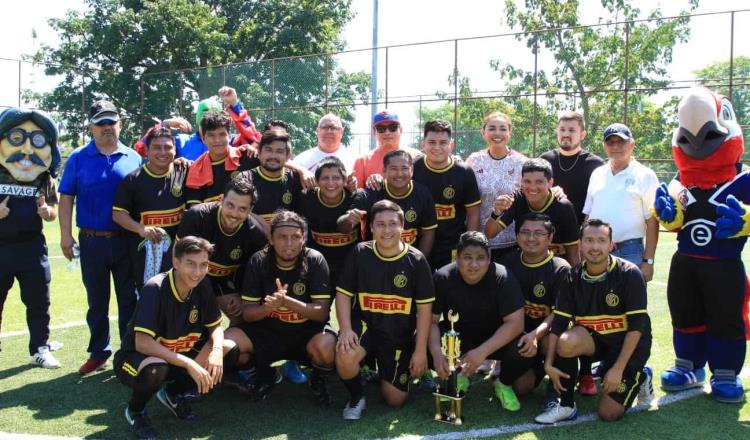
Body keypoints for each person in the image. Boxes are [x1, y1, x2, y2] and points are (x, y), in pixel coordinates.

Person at [113, 236, 240, 439]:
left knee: (228, 348)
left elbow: (215, 326)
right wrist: (189, 363)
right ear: (176, 262)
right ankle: (136, 411)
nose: (197, 272)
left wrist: (216, 350)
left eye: (203, 265)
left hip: (177, 355)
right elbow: (142, 343)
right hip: (136, 359)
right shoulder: (155, 288)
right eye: (191, 264)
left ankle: (174, 393)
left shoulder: (203, 285)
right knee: (156, 369)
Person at [535, 219, 653, 424]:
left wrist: (618, 368)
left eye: (601, 240)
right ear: (580, 244)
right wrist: (549, 363)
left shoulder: (630, 274)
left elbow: (636, 327)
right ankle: (566, 405)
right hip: (596, 342)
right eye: (589, 240)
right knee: (565, 341)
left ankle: (641, 376)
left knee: (608, 414)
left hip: (629, 345)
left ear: (611, 245)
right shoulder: (572, 277)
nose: (595, 247)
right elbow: (560, 322)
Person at [58, 100, 143, 375]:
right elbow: (66, 198)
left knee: (129, 299)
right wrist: (66, 236)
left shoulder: (134, 157)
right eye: (101, 123)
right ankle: (99, 352)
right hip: (92, 241)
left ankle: (129, 351)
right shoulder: (78, 158)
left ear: (120, 124)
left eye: (111, 121)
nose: (107, 127)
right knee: (97, 300)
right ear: (91, 127)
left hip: (126, 240)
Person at [335, 200, 434, 419]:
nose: (386, 230)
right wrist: (345, 329)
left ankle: (382, 371)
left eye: (392, 224)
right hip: (366, 327)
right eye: (380, 224)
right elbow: (342, 294)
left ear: (403, 227)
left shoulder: (416, 260)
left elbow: (424, 310)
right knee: (345, 353)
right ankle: (356, 397)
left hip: (398, 335)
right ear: (371, 227)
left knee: (395, 400)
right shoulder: (360, 253)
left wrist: (419, 351)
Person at [225, 211, 337, 404]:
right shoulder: (258, 261)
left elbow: (321, 313)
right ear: (271, 238)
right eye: (282, 237)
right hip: (267, 333)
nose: (289, 243)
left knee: (327, 347)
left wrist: (287, 302)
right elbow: (248, 314)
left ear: (304, 238)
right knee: (225, 344)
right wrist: (269, 308)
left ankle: (318, 379)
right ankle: (264, 373)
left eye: (295, 237)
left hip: (305, 333)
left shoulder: (315, 260)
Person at [430, 231, 530, 411]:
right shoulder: (443, 277)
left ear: (489, 259)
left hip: (494, 339)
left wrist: (481, 352)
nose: (474, 264)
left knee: (524, 347)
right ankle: (458, 375)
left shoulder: (503, 277)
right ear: (457, 257)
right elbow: (431, 322)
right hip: (460, 338)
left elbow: (516, 323)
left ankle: (503, 382)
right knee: (420, 341)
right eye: (467, 257)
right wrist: (437, 354)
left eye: (480, 258)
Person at [0, 107, 62, 368]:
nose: (26, 149)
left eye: (36, 141)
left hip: (32, 247)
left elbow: (53, 211)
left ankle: (40, 347)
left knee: (39, 300)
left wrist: (48, 212)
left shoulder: (44, 177)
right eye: (16, 138)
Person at [177, 176, 267, 324]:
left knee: (241, 317)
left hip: (222, 281)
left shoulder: (256, 235)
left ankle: (225, 345)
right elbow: (177, 260)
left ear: (250, 210)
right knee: (184, 319)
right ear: (221, 199)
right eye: (230, 205)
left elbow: (252, 274)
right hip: (189, 276)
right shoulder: (196, 216)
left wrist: (241, 296)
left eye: (242, 209)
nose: (234, 214)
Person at [499, 213, 570, 402]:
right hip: (517, 334)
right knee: (522, 388)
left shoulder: (561, 269)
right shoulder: (508, 262)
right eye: (525, 232)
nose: (531, 238)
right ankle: (507, 368)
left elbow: (559, 314)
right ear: (517, 235)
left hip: (544, 335)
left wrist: (535, 336)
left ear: (550, 238)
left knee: (556, 341)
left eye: (538, 233)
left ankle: (559, 393)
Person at [583, 123, 659, 281]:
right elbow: (588, 216)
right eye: (610, 142)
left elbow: (652, 221)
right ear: (604, 146)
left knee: (629, 304)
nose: (615, 146)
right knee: (594, 302)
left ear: (632, 144)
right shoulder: (597, 174)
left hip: (630, 251)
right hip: (596, 250)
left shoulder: (646, 175)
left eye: (621, 142)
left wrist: (648, 261)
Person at [113, 127, 187, 288]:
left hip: (180, 255)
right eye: (157, 147)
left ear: (175, 150)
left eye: (168, 147)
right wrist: (141, 228)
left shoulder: (184, 171)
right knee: (149, 301)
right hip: (145, 256)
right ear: (146, 150)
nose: (163, 152)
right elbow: (118, 214)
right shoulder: (133, 180)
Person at [338, 149, 437, 259]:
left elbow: (428, 233)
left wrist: (418, 260)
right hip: (375, 261)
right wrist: (349, 219)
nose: (399, 174)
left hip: (408, 261)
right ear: (384, 171)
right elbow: (343, 228)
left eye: (404, 168)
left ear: (412, 170)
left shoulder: (423, 193)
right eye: (394, 169)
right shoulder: (369, 194)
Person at [413, 120, 481, 269]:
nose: (437, 147)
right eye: (432, 142)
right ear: (422, 144)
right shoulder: (413, 168)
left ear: (452, 144)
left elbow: (473, 214)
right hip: (418, 247)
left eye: (443, 142)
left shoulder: (464, 172)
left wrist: (470, 246)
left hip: (452, 247)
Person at [485, 159, 580, 265]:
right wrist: (496, 213)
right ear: (521, 181)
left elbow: (573, 249)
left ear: (550, 183)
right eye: (527, 182)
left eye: (539, 182)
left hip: (554, 265)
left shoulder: (563, 206)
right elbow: (490, 233)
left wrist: (575, 278)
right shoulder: (517, 199)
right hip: (525, 262)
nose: (532, 187)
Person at [466, 111, 527, 262]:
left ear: (510, 133)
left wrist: (557, 190)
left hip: (513, 242)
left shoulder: (521, 163)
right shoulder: (473, 161)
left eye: (503, 128)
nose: (497, 133)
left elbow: (536, 188)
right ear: (483, 132)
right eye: (492, 128)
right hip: (479, 241)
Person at [297, 156, 361, 285]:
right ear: (317, 181)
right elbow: (283, 163)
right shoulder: (306, 198)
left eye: (336, 178)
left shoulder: (356, 198)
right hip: (318, 264)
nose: (331, 183)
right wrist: (301, 170)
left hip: (351, 264)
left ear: (344, 180)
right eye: (325, 178)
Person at [540, 111, 605, 224]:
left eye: (571, 130)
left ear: (582, 135)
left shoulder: (595, 164)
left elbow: (600, 203)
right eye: (562, 129)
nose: (565, 134)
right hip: (546, 231)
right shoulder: (544, 160)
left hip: (580, 232)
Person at [184, 111, 261, 207]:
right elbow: (195, 211)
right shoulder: (196, 169)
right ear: (203, 138)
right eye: (211, 135)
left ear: (229, 135)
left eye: (222, 134)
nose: (217, 140)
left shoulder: (247, 156)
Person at [236, 130, 304, 223]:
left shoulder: (296, 179)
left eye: (279, 151)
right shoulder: (244, 179)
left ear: (288, 156)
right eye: (268, 150)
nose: (273, 156)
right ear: (259, 153)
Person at [351, 111, 421, 189]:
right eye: (381, 129)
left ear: (401, 130)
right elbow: (356, 195)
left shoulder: (416, 157)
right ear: (374, 132)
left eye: (393, 128)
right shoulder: (362, 161)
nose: (387, 132)